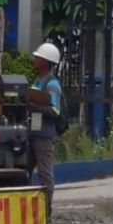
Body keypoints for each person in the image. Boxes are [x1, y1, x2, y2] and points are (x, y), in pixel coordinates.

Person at [27, 43, 63, 211]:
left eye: (38, 58)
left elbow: (54, 111)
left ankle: (46, 210)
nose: (34, 60)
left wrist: (35, 106)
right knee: (25, 170)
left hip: (44, 135)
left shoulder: (52, 84)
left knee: (45, 173)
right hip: (33, 132)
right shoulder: (38, 80)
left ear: (46, 61)